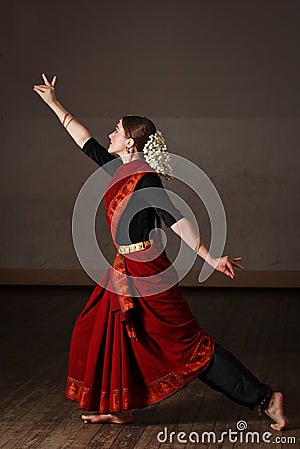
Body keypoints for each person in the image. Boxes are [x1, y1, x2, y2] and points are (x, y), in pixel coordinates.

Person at [33, 73, 288, 431]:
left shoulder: (145, 178)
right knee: (101, 329)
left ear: (132, 143)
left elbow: (176, 219)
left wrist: (210, 257)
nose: (111, 135)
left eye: (117, 131)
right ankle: (118, 407)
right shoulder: (116, 167)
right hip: (123, 268)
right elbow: (84, 139)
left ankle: (264, 398)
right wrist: (53, 102)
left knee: (188, 348)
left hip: (147, 271)